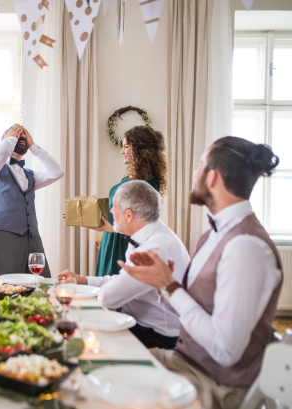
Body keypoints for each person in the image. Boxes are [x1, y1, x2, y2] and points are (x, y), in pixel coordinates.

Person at [118, 137, 282, 409]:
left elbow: (225, 350)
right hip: (185, 362)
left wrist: (170, 286)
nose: (195, 174)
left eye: (199, 166)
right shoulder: (213, 235)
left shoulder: (246, 247)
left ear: (213, 177)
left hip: (216, 387)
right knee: (99, 360)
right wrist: (162, 281)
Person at [59, 180, 189, 349]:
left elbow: (109, 297)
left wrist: (104, 289)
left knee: (77, 337)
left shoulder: (154, 249)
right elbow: (121, 280)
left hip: (159, 337)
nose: (111, 211)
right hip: (142, 325)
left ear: (128, 215)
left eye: (114, 206)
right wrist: (80, 279)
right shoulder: (145, 234)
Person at [0, 124, 64, 277]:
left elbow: (57, 172)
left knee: (42, 285)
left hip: (33, 238)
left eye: (23, 135)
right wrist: (11, 138)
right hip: (4, 239)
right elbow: (0, 153)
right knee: (10, 288)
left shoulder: (30, 175)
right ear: (5, 140)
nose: (20, 136)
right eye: (15, 134)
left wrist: (33, 146)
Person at [93, 126, 167, 277]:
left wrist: (109, 228)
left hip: (122, 245)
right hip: (111, 241)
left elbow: (138, 226)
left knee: (114, 289)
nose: (122, 151)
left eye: (126, 146)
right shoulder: (131, 180)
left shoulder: (148, 183)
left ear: (139, 150)